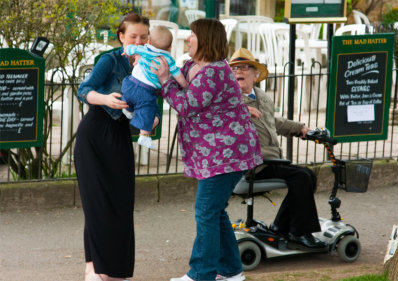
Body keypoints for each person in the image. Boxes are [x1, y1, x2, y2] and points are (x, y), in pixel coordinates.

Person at [152, 19, 263, 281]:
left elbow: (188, 105)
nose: (188, 39)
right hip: (215, 155)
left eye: (192, 35)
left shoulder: (214, 71)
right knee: (214, 210)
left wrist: (166, 80)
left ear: (206, 40)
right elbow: (180, 89)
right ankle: (232, 272)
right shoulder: (193, 66)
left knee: (205, 211)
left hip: (227, 155)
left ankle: (201, 274)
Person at [75, 13, 154, 281]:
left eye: (143, 36)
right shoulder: (109, 60)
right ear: (121, 36)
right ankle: (93, 267)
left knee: (121, 203)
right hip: (94, 135)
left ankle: (117, 269)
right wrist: (106, 99)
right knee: (96, 203)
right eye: (133, 36)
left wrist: (151, 119)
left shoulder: (152, 63)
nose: (138, 41)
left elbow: (154, 106)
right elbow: (84, 90)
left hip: (120, 136)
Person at [228, 47, 326, 250]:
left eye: (245, 67)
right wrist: (240, 111)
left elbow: (274, 122)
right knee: (301, 177)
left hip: (272, 160)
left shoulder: (262, 97)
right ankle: (300, 233)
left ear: (255, 75)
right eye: (235, 68)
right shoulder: (230, 102)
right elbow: (223, 119)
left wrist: (300, 128)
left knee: (308, 176)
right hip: (253, 163)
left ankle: (282, 226)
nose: (238, 72)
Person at [121, 25, 188, 149]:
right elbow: (178, 75)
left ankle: (128, 108)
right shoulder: (168, 59)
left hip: (129, 83)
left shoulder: (143, 49)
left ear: (149, 42)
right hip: (145, 91)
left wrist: (127, 51)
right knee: (149, 110)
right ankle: (144, 136)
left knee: (129, 98)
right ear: (170, 47)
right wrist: (185, 86)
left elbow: (130, 48)